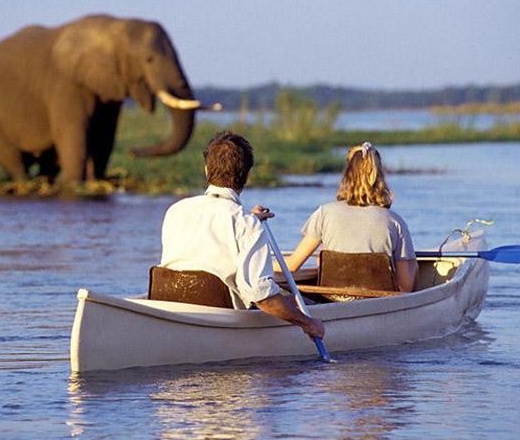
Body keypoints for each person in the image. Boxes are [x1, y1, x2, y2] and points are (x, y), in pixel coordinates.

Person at [159, 130, 325, 339]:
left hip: (170, 307)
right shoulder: (246, 224)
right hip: (218, 318)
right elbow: (262, 297)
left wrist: (250, 219)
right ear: (247, 175)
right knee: (295, 301)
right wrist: (308, 323)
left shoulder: (176, 210)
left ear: (206, 170)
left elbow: (213, 234)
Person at [281, 141, 418, 292]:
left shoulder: (324, 213)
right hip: (379, 303)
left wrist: (260, 264)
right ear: (380, 177)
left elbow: (292, 265)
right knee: (411, 264)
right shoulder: (395, 222)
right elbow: (405, 287)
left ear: (347, 175)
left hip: (331, 300)